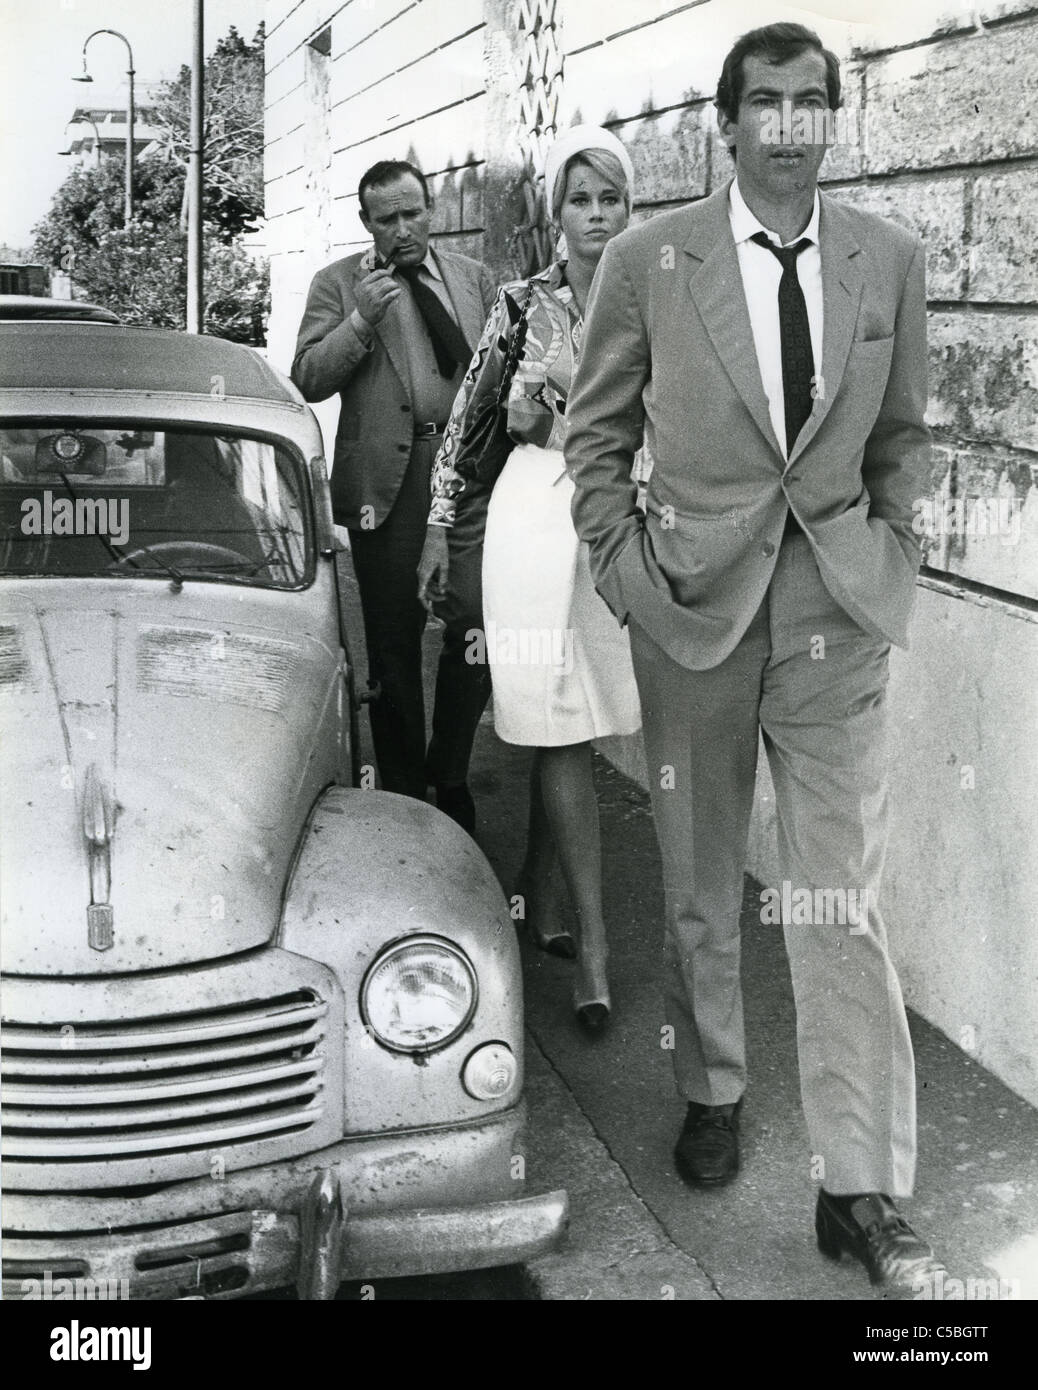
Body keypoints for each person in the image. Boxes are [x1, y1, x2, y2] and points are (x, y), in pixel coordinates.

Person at [565, 24, 945, 1290]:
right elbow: (596, 440)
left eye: (812, 102)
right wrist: (629, 582)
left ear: (835, 122)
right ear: (725, 126)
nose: (789, 123)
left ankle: (863, 1186)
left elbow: (901, 438)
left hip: (835, 612)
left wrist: (887, 550)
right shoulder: (646, 260)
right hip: (692, 612)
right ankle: (712, 1084)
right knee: (700, 877)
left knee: (840, 896)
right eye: (766, 102)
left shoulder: (888, 260)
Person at [418, 126, 642, 1035]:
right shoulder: (519, 306)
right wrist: (438, 526)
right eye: (580, 200)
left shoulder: (657, 301)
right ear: (558, 215)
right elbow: (472, 424)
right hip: (532, 522)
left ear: (631, 209)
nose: (596, 215)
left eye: (611, 198)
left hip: (619, 523)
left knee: (579, 719)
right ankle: (594, 948)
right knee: (555, 721)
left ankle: (539, 893)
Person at [291, 160, 497, 830]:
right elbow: (309, 378)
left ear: (431, 209)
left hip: (463, 474)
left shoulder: (473, 279)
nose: (404, 230)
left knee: (475, 627)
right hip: (388, 485)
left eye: (414, 214)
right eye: (388, 219)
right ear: (367, 224)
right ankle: (407, 792)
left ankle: (450, 768)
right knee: (394, 641)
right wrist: (357, 322)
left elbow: (496, 369)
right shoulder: (340, 284)